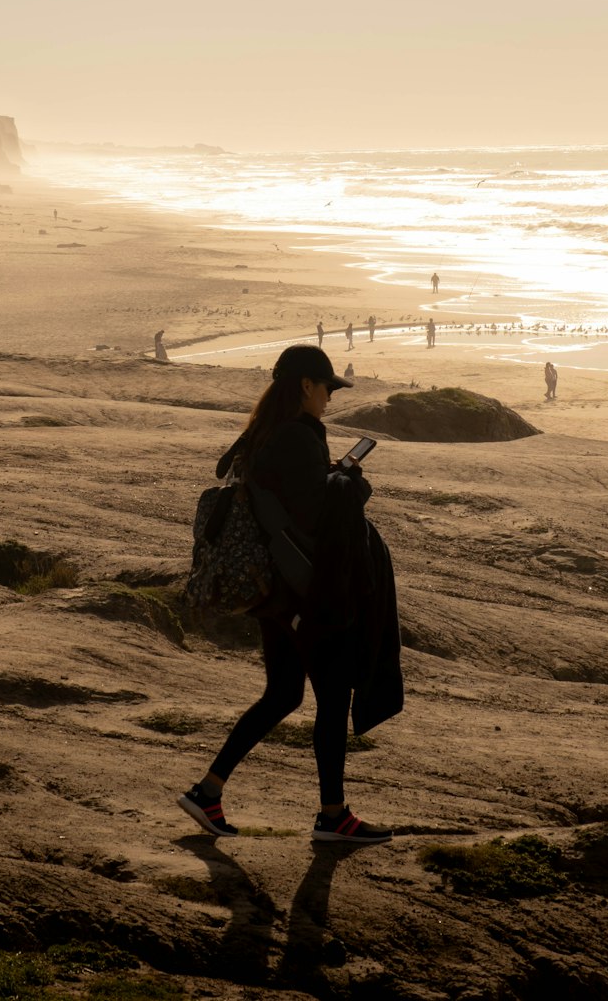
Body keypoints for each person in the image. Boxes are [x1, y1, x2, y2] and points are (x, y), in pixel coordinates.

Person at [177, 345, 402, 846]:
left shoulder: (260, 434)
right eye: (326, 389)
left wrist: (332, 478)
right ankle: (332, 816)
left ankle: (207, 792)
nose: (329, 399)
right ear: (306, 386)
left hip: (274, 591)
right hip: (306, 594)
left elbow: (292, 500)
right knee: (331, 700)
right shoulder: (299, 437)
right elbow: (318, 515)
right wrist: (351, 482)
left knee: (283, 694)